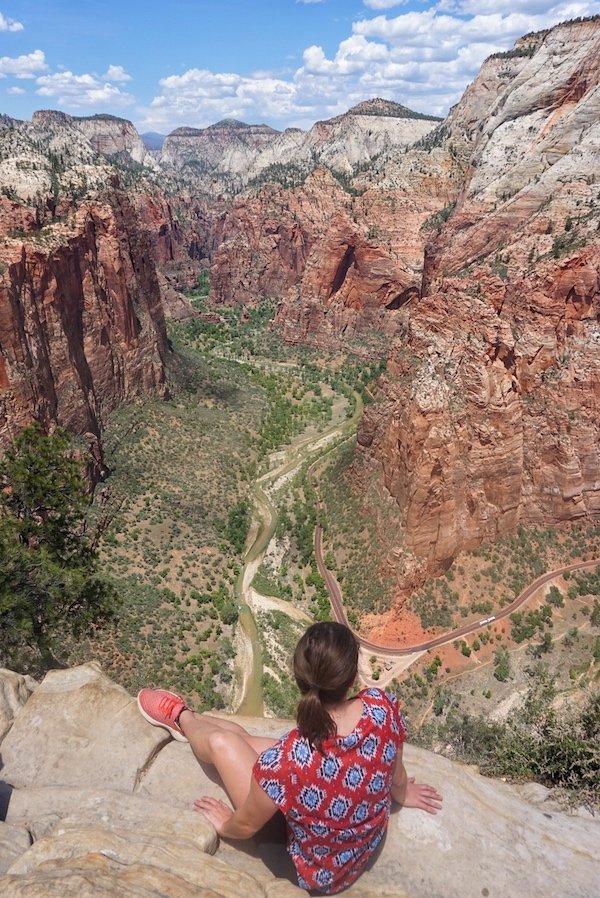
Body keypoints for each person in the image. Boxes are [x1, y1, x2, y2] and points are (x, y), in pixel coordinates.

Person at [137, 621, 442, 894]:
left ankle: (181, 717)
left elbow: (246, 826)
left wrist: (224, 825)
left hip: (314, 872)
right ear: (351, 678)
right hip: (365, 845)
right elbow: (397, 773)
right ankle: (195, 719)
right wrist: (403, 794)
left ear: (300, 681)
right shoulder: (382, 707)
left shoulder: (290, 758)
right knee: (241, 741)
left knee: (221, 743)